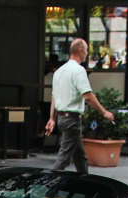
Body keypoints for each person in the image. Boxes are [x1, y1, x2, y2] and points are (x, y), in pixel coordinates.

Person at [43, 37, 114, 175]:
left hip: (62, 119)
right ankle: (49, 187)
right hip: (72, 120)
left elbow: (54, 96)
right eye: (86, 50)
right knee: (63, 158)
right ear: (80, 50)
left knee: (80, 156)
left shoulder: (59, 72)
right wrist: (104, 112)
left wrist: (52, 118)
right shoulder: (78, 71)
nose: (87, 53)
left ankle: (85, 182)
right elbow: (87, 95)